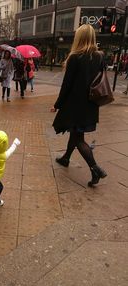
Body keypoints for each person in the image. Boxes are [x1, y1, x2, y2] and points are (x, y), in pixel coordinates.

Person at [51, 24, 107, 187]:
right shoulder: (100, 56)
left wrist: (57, 104)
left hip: (76, 105)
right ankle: (66, 158)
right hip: (91, 104)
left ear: (79, 38)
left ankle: (95, 168)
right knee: (75, 133)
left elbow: (66, 85)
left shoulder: (76, 57)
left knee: (78, 137)